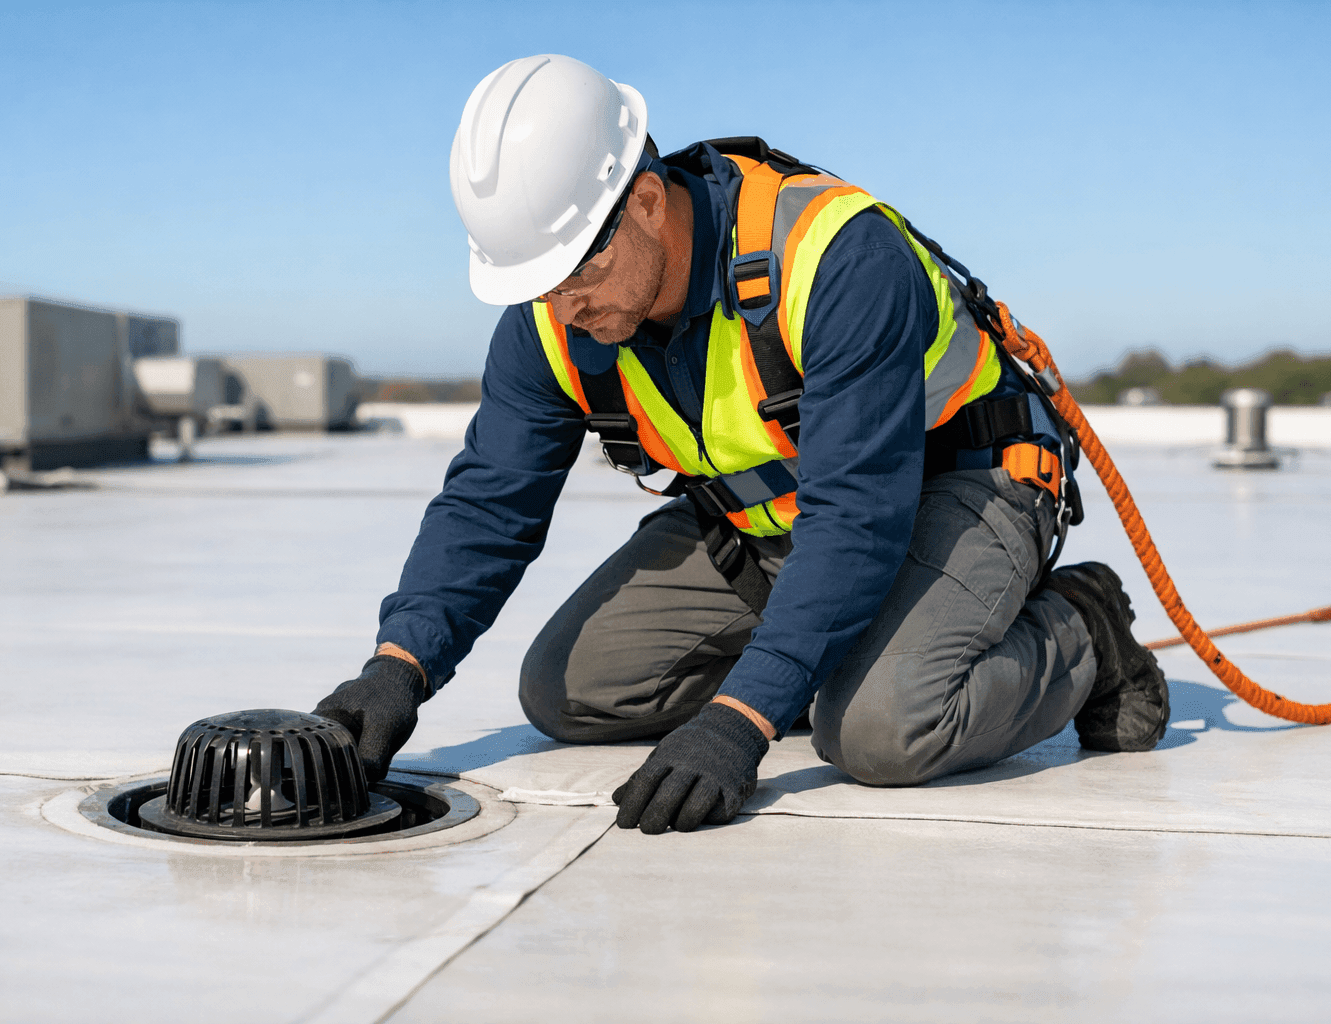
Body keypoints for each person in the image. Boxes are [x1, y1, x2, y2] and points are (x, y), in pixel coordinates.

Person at [313, 54, 1169, 835]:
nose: (564, 306)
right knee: (568, 691)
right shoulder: (552, 321)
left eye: (577, 270)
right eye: (538, 283)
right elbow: (489, 500)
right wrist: (398, 668)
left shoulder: (833, 256)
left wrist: (743, 718)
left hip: (958, 488)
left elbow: (857, 514)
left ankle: (1083, 633)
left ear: (646, 200)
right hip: (771, 526)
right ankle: (825, 648)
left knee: (880, 730)